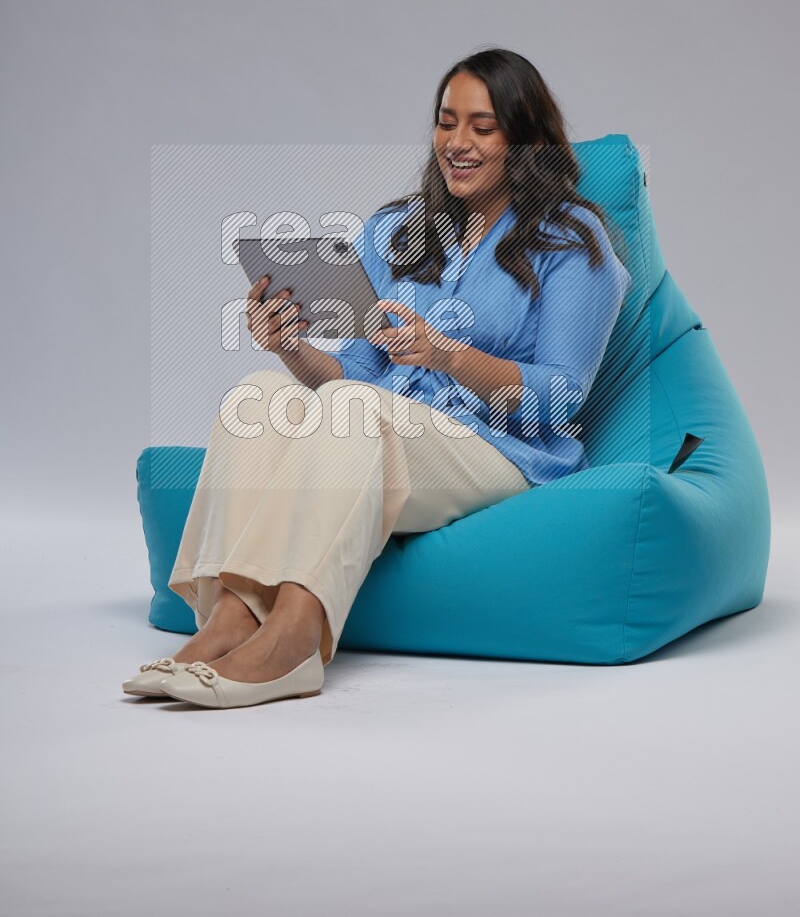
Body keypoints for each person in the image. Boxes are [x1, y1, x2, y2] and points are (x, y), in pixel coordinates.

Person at [122, 47, 632, 708]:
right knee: (259, 394)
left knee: (355, 409)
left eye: (482, 126)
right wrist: (291, 345)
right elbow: (352, 374)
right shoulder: (398, 230)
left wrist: (448, 355)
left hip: (503, 449)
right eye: (447, 122)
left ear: (524, 139)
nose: (457, 142)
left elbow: (561, 393)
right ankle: (225, 621)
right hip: (380, 429)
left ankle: (293, 643)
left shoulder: (571, 239)